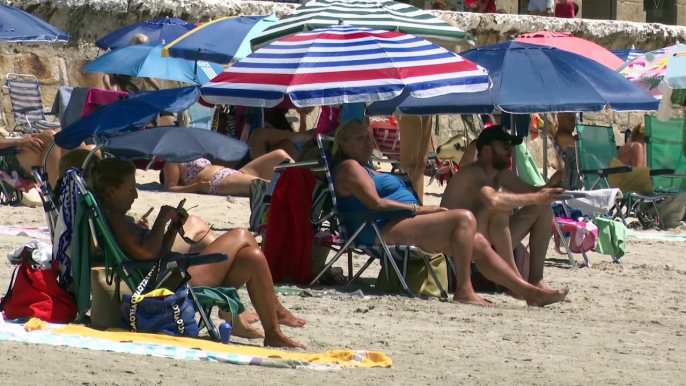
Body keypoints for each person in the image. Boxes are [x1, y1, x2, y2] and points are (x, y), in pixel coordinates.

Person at [333, 119, 568, 307]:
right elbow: (375, 205)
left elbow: (534, 194)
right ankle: (464, 290)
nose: (368, 141)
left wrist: (552, 185)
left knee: (478, 242)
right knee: (463, 217)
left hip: (400, 222)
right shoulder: (349, 167)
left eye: (368, 136)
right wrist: (422, 209)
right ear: (343, 144)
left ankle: (529, 292)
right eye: (359, 138)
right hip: (376, 228)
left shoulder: (368, 168)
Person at [90, 157, 305, 348]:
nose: (136, 195)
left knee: (252, 258)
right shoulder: (116, 220)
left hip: (168, 275)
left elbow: (155, 251)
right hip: (169, 285)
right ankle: (275, 311)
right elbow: (147, 254)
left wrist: (173, 228)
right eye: (131, 189)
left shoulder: (117, 217)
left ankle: (273, 333)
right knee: (242, 235)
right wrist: (161, 220)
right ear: (112, 191)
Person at [441, 125, 565, 292]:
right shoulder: (473, 172)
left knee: (542, 208)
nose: (510, 151)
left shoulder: (500, 174)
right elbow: (492, 201)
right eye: (505, 146)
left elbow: (535, 193)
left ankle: (536, 281)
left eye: (511, 146)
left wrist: (551, 185)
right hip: (458, 243)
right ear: (486, 150)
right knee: (498, 208)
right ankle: (517, 283)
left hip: (486, 237)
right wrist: (538, 196)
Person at [162, 150, 293, 196]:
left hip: (231, 173)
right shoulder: (171, 161)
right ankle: (303, 189)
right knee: (265, 185)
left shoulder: (189, 154)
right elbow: (170, 187)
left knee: (279, 155)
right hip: (217, 181)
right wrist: (197, 187)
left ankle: (307, 176)